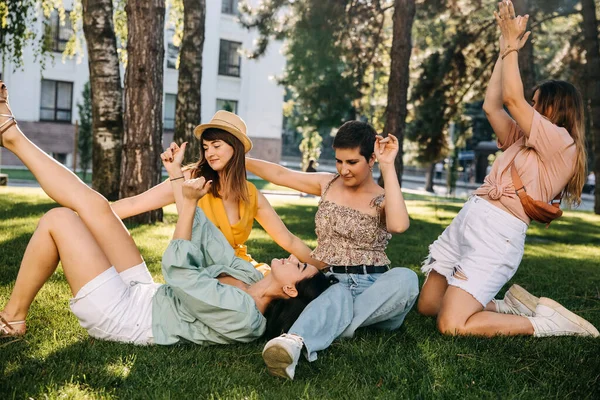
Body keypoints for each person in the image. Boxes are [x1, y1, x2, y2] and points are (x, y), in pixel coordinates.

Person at [0, 82, 336, 344]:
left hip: (127, 317)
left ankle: (13, 318)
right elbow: (211, 243)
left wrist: (186, 205)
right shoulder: (252, 277)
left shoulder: (245, 318)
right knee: (94, 208)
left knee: (59, 218)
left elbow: (178, 272)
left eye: (300, 266)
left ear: (291, 291)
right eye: (207, 146)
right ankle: (10, 134)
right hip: (148, 293)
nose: (293, 258)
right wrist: (178, 180)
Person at [416, 1, 599, 339]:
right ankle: (505, 306)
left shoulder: (561, 142)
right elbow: (493, 105)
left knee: (452, 324)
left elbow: (513, 101)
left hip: (497, 236)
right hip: (471, 219)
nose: (529, 107)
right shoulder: (522, 139)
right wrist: (503, 52)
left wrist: (513, 45)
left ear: (555, 110)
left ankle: (545, 325)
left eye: (537, 102)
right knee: (428, 305)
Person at [246, 120, 419, 379]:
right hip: (329, 283)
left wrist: (388, 165)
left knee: (407, 278)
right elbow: (281, 175)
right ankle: (292, 344)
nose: (344, 169)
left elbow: (399, 224)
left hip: (374, 289)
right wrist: (240, 159)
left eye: (352, 162)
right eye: (339, 161)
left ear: (371, 159)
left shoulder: (383, 198)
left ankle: (331, 323)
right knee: (337, 294)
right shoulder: (327, 184)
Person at [111, 110, 324, 275]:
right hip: (198, 268)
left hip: (238, 267)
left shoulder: (251, 194)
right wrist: (84, 214)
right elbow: (134, 204)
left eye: (216, 145)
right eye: (206, 147)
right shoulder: (191, 179)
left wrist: (327, 267)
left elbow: (288, 240)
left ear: (235, 147)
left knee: (284, 288)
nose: (209, 153)